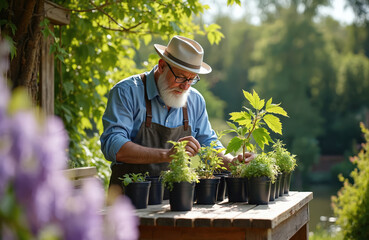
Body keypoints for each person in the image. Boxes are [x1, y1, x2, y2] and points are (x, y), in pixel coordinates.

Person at [100, 35, 252, 196]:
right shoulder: (127, 92)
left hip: (174, 203)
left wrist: (233, 162)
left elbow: (208, 142)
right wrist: (166, 155)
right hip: (128, 203)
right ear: (162, 65)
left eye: (192, 79)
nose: (185, 86)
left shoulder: (195, 100)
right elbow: (113, 146)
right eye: (180, 77)